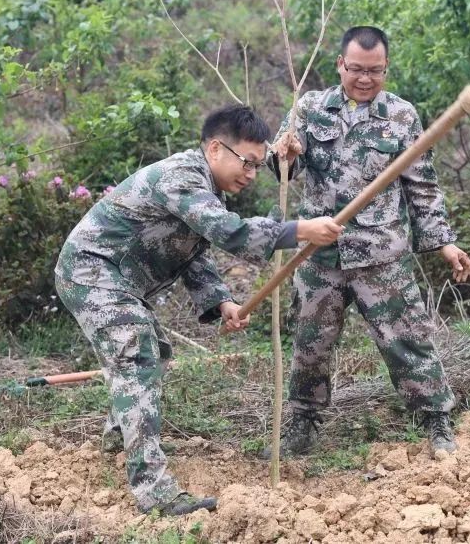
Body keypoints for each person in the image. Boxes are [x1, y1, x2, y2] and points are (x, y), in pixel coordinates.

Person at [55, 105, 342, 516]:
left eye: (259, 166)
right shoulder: (182, 176)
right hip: (91, 270)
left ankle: (123, 437)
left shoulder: (206, 189)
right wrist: (299, 230)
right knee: (137, 356)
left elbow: (194, 253)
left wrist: (222, 301)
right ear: (214, 148)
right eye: (247, 162)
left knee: (157, 351)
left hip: (116, 279)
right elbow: (227, 231)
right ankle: (154, 493)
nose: (250, 173)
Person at [267, 26, 470, 458]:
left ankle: (436, 420)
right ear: (340, 64)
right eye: (356, 69)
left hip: (382, 255)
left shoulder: (402, 116)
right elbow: (284, 168)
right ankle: (303, 423)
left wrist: (443, 243)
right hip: (319, 254)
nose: (364, 79)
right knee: (310, 345)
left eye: (375, 71)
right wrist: (283, 155)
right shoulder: (308, 109)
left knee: (408, 340)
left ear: (386, 69)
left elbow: (422, 186)